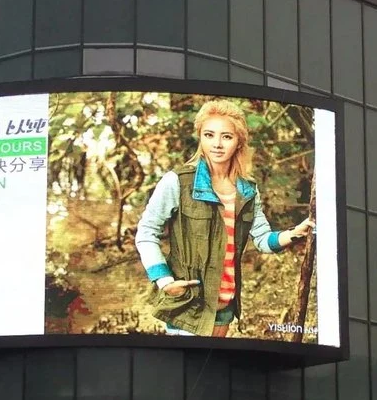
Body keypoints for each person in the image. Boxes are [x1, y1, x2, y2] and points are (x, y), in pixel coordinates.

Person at [135, 98, 314, 338]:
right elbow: (146, 233)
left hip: (225, 303)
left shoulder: (247, 189)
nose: (217, 144)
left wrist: (293, 234)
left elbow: (262, 238)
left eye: (226, 137)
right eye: (209, 135)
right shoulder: (177, 181)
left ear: (239, 141)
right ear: (200, 136)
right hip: (188, 301)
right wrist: (164, 281)